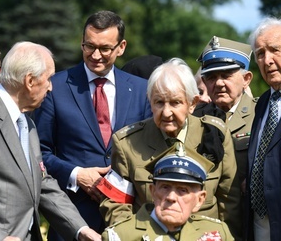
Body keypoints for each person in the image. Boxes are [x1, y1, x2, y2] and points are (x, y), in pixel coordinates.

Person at [0, 41, 101, 241]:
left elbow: (41, 182)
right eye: (48, 79)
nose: (51, 87)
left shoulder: (26, 122)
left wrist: (80, 228)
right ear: (29, 81)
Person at [33, 10, 152, 239]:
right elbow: (39, 152)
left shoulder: (141, 90)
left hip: (129, 221)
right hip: (73, 220)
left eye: (105, 48)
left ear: (121, 47)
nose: (95, 55)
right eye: (89, 46)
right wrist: (76, 174)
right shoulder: (55, 88)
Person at [98, 57, 241, 239]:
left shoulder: (215, 135)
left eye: (175, 103)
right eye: (159, 102)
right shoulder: (127, 143)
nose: (166, 113)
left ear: (193, 103)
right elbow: (116, 203)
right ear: (149, 101)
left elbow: (229, 202)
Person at [101, 142, 234, 241]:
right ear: (153, 191)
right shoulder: (119, 236)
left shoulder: (218, 232)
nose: (171, 197)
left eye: (183, 190)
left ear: (200, 200)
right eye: (165, 187)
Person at [195, 36, 256, 241]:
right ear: (203, 81)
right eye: (211, 77)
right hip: (205, 223)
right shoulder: (194, 119)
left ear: (246, 78)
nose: (218, 83)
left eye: (226, 75)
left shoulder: (262, 115)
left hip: (252, 221)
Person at [245, 17, 281, 241]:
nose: (267, 60)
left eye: (274, 50)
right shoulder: (263, 103)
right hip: (260, 221)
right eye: (260, 53)